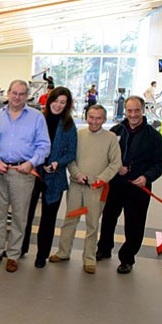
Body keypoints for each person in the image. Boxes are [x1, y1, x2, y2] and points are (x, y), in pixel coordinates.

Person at [0, 80, 51, 273]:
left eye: (21, 94)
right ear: (8, 93)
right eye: (14, 93)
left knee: (20, 217)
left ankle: (13, 255)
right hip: (0, 171)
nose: (17, 97)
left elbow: (44, 146)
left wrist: (31, 163)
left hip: (23, 172)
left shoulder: (36, 118)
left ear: (27, 96)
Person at [96, 96, 162, 274]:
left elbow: (161, 162)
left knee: (134, 224)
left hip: (138, 187)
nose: (133, 114)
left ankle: (127, 258)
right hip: (115, 185)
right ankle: (104, 249)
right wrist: (115, 167)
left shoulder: (153, 136)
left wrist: (146, 177)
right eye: (130, 111)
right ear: (125, 111)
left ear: (143, 111)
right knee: (108, 219)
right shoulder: (115, 131)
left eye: (137, 110)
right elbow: (105, 155)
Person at [49, 104, 121, 273]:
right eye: (91, 117)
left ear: (104, 119)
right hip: (76, 186)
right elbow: (70, 156)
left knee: (92, 224)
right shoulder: (78, 134)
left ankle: (89, 258)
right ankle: (63, 252)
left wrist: (100, 180)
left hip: (96, 189)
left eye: (98, 118)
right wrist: (77, 174)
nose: (94, 121)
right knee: (70, 220)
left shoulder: (110, 138)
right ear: (86, 117)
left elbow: (116, 163)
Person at [21, 86, 77, 268]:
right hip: (34, 173)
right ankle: (20, 249)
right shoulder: (38, 119)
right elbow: (27, 143)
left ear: (67, 105)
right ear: (49, 100)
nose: (58, 105)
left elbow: (71, 152)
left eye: (63, 102)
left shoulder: (69, 125)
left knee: (48, 218)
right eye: (56, 101)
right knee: (25, 215)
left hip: (55, 178)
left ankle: (41, 255)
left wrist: (57, 163)